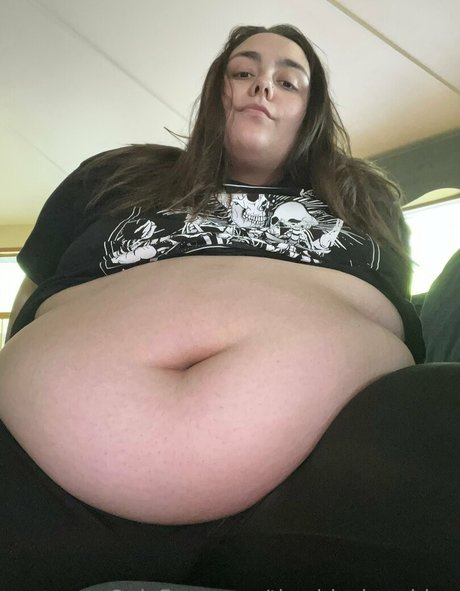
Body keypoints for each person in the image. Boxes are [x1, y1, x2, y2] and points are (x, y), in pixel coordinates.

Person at [0, 24, 458, 591]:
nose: (262, 86)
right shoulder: (115, 174)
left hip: (321, 482)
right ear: (216, 91)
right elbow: (34, 288)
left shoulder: (362, 198)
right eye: (244, 72)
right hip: (41, 483)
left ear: (312, 111)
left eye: (287, 81)